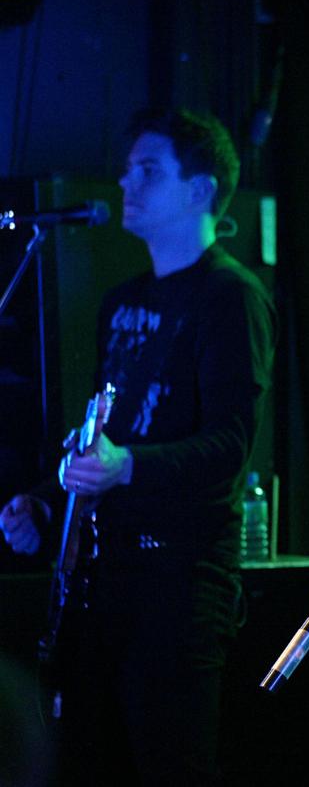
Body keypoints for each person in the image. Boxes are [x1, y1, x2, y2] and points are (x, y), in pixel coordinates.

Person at [0, 108, 276, 784]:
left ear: (201, 189)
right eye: (127, 170)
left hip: (178, 585)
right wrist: (44, 499)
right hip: (102, 579)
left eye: (148, 170)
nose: (127, 182)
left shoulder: (230, 297)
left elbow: (229, 446)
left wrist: (127, 470)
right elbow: (111, 436)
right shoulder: (120, 301)